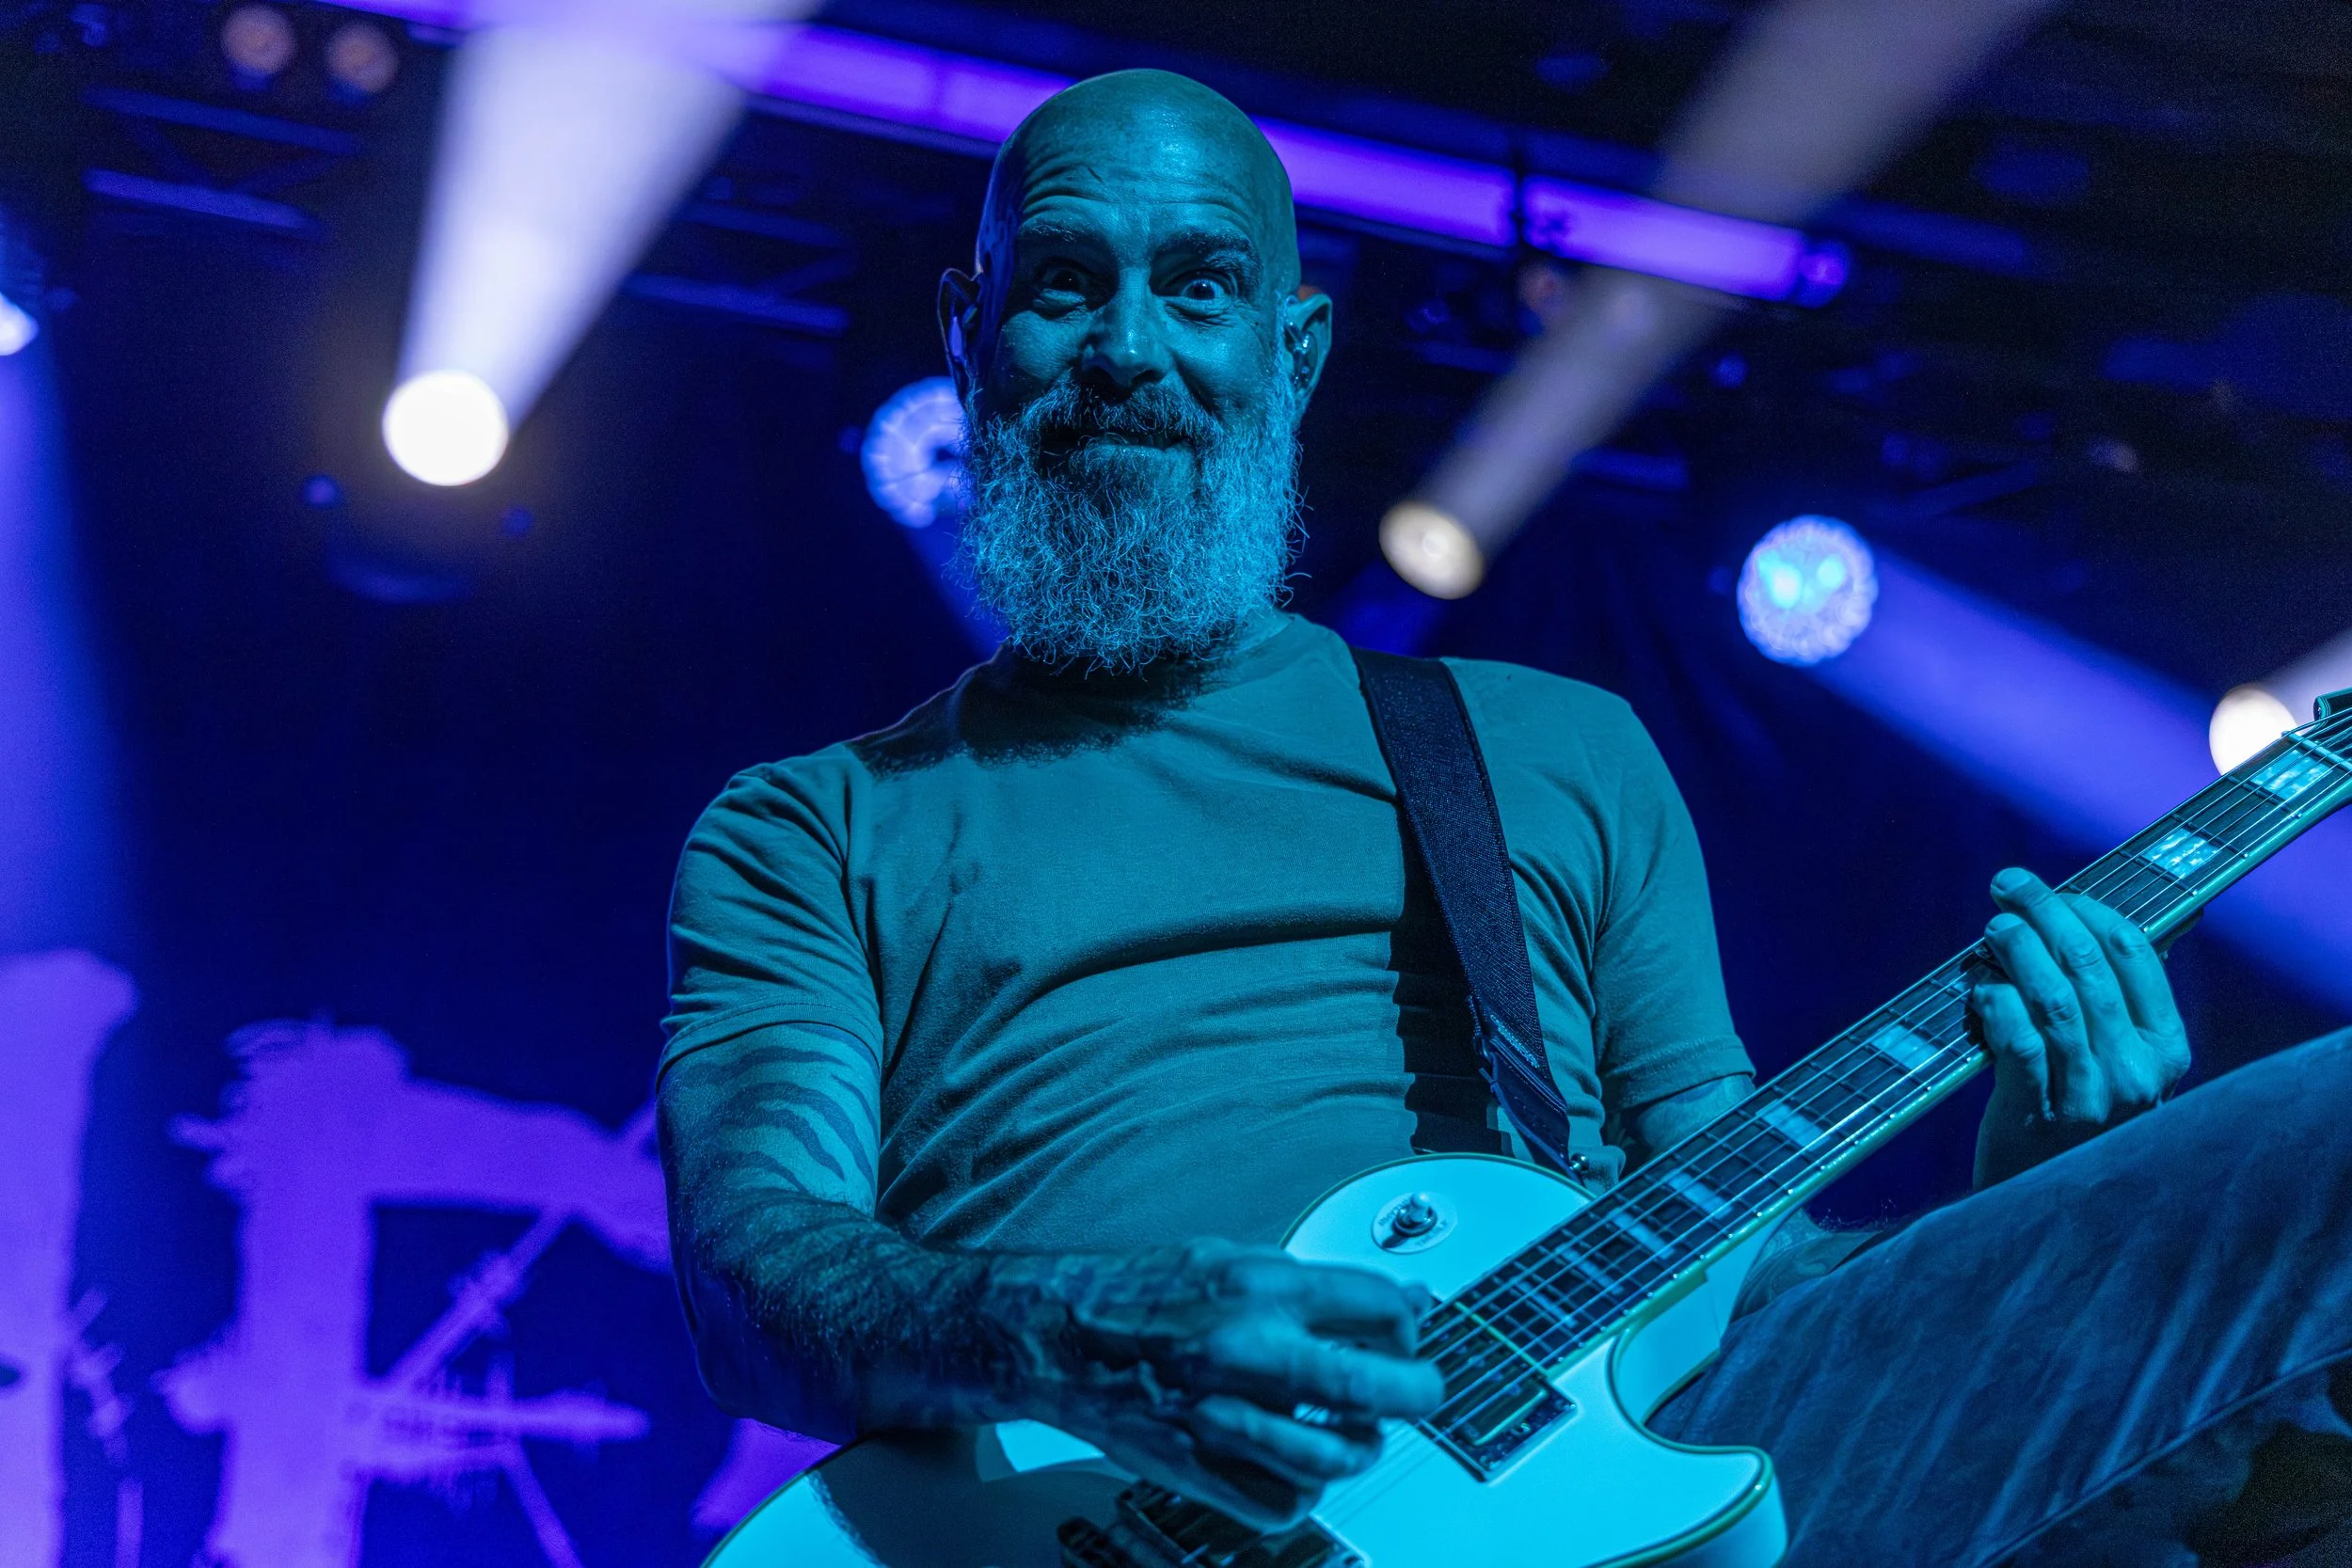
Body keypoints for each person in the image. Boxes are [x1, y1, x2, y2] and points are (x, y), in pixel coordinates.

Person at [658, 70, 2352, 1565]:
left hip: (1637, 1492)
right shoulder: (812, 827)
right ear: (968, 330)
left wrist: (2032, 1200)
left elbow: (1747, 1280)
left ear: (1295, 351)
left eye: (1201, 287)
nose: (1130, 351)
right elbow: (759, 1275)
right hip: (1101, 1509)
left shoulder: (1550, 753)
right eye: (1062, 287)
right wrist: (1094, 1331)